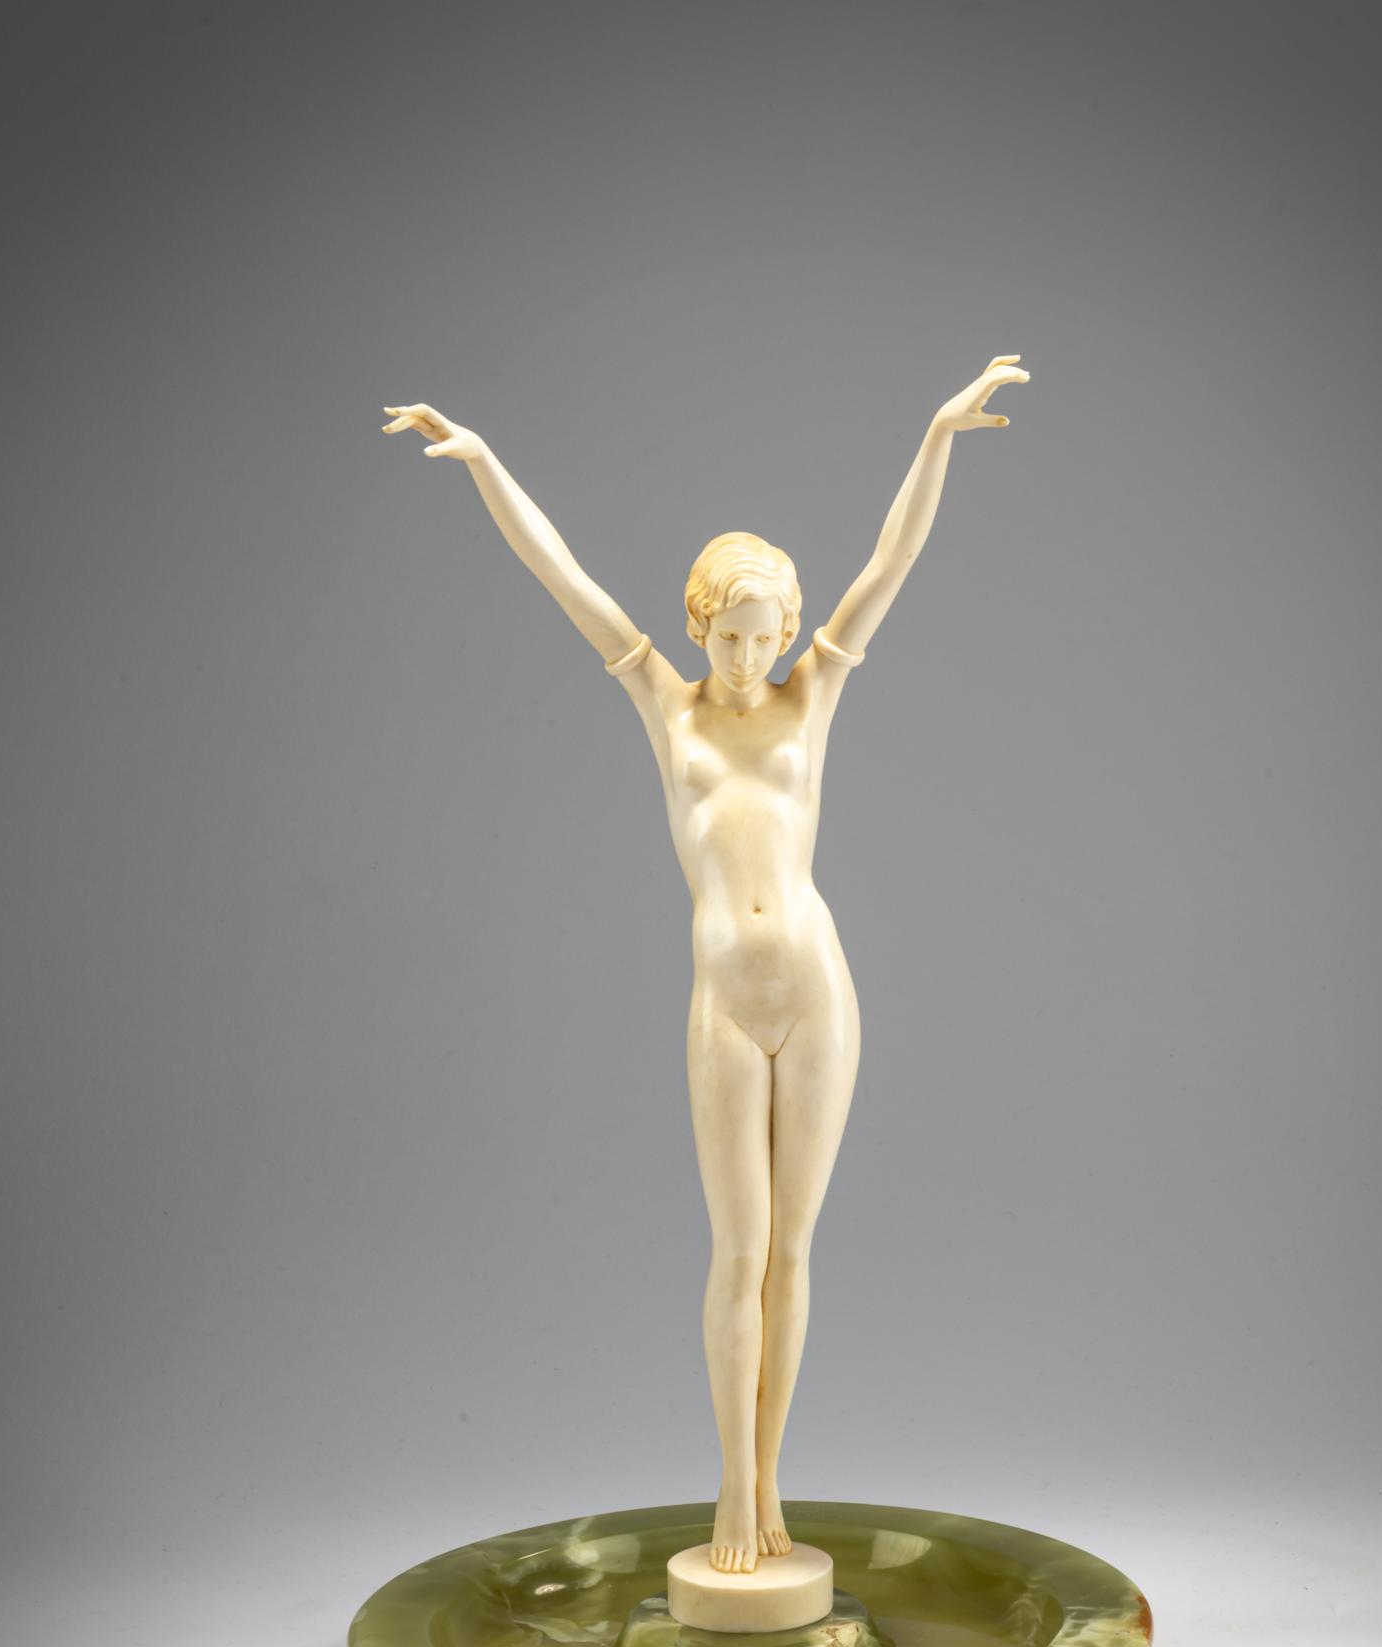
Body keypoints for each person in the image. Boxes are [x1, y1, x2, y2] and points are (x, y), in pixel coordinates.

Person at [383, 356, 1028, 1572]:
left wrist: (937, 432)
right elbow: (562, 575)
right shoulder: (663, 702)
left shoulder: (811, 694)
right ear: (697, 626)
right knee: (736, 1249)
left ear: (786, 632)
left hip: (817, 992)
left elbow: (889, 562)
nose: (744, 656)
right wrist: (483, 462)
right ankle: (735, 1490)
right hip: (725, 1004)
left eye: (763, 636)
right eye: (728, 636)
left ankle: (772, 1484)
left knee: (794, 1250)